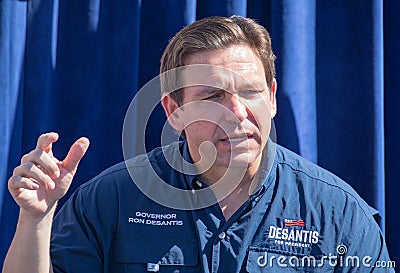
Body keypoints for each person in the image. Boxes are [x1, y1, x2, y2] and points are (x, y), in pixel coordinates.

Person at [3, 16, 394, 273]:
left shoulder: (338, 213)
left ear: (273, 98)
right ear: (174, 110)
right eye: (212, 97)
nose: (237, 113)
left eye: (252, 93)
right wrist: (36, 219)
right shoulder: (111, 200)